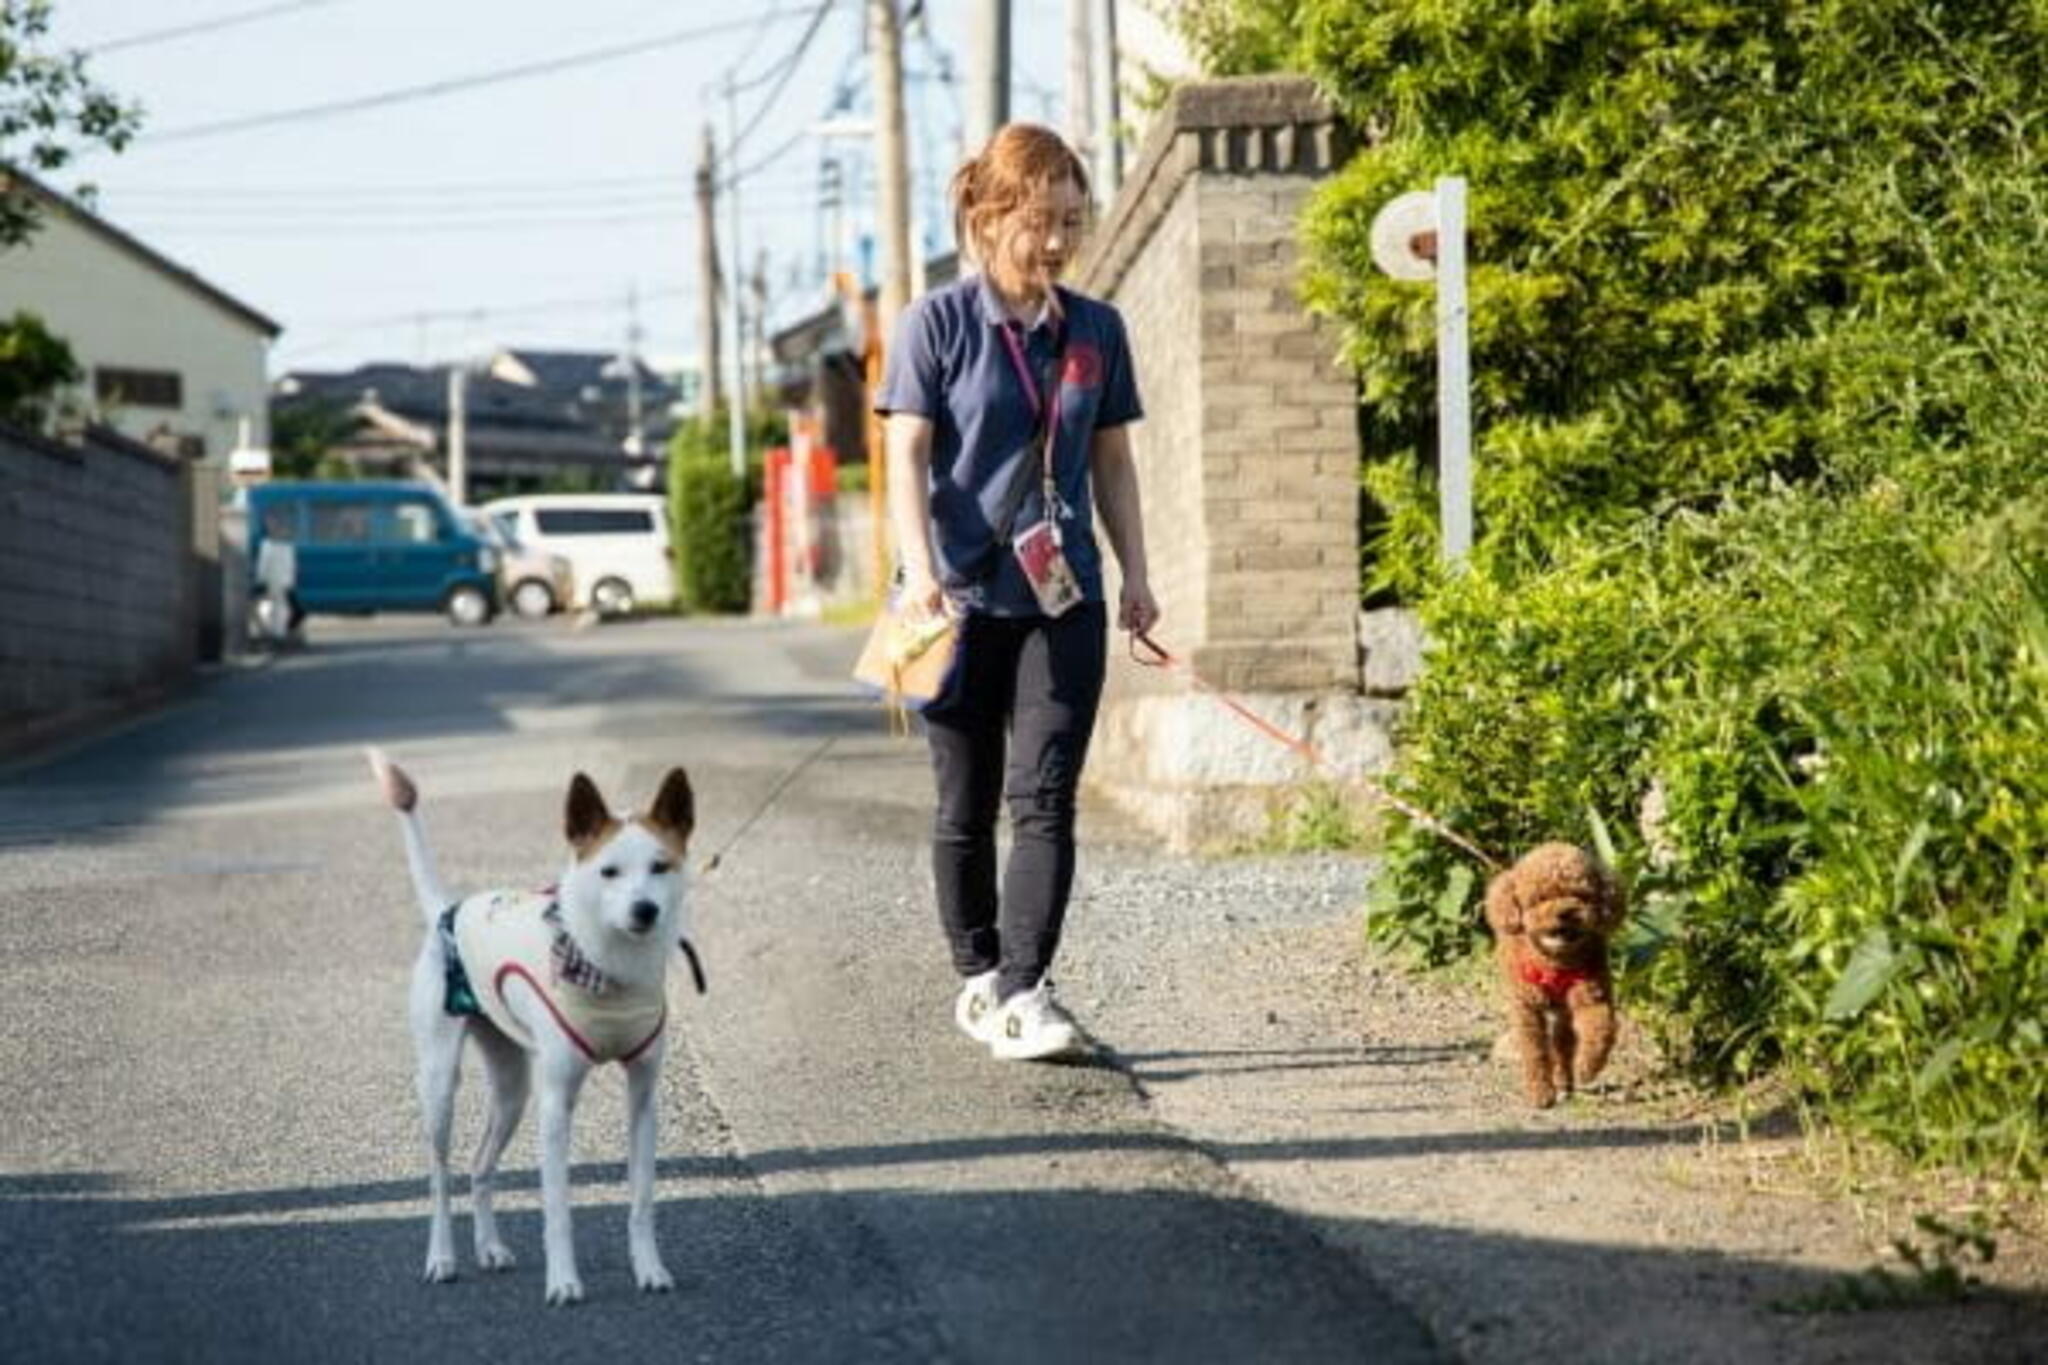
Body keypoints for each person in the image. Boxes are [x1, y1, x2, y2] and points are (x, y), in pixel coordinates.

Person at [875, 123, 1158, 1062]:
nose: (1058, 241)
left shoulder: (1097, 330)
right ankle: (977, 972)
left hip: (1062, 597)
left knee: (1045, 799)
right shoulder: (938, 324)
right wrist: (917, 572)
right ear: (992, 216)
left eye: (1072, 221)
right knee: (967, 801)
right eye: (1042, 222)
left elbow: (1112, 462)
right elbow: (905, 451)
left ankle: (1023, 989)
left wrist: (1140, 576)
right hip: (955, 599)